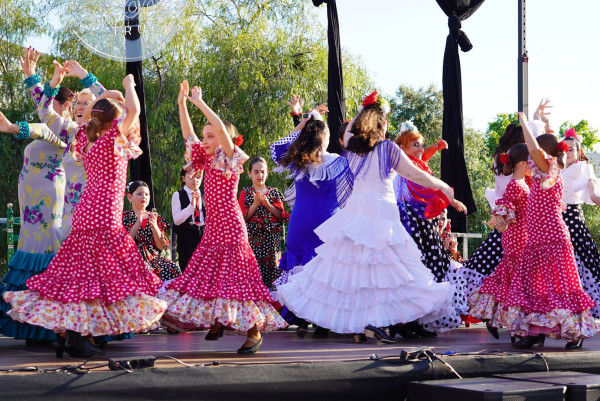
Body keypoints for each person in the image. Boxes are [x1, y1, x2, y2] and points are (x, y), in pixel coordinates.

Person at [3, 75, 167, 359]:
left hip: (85, 216)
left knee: (84, 278)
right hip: (104, 217)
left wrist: (114, 93)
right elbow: (135, 110)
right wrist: (128, 85)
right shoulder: (113, 139)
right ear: (113, 121)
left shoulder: (84, 137)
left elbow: (54, 112)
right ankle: (80, 334)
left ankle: (72, 333)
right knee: (106, 276)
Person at [277, 91, 457, 343]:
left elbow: (350, 129)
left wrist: (365, 108)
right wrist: (444, 187)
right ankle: (372, 324)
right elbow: (417, 175)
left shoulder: (352, 148)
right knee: (380, 274)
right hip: (381, 215)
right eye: (385, 123)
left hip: (355, 216)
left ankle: (363, 326)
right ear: (380, 125)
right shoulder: (387, 149)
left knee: (357, 275)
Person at [159, 81, 286, 354]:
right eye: (204, 136)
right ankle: (218, 321)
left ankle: (253, 332)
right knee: (208, 276)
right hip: (213, 229)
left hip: (230, 228)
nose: (204, 140)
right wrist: (181, 104)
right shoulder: (204, 159)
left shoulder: (228, 157)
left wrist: (200, 103)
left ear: (222, 137)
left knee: (236, 280)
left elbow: (216, 127)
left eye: (210, 136)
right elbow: (188, 134)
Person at [505, 112, 599, 349]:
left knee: (562, 286)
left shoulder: (551, 171)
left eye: (533, 153)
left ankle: (575, 332)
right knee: (535, 287)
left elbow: (534, 149)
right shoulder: (540, 175)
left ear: (545, 153)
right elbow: (534, 151)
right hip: (536, 240)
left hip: (553, 239)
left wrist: (525, 123)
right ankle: (536, 330)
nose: (530, 157)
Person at [270, 101, 351, 337]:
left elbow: (277, 147)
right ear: (325, 137)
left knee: (299, 269)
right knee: (325, 271)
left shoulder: (298, 160)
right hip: (327, 222)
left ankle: (299, 314)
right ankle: (324, 321)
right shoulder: (338, 161)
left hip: (300, 223)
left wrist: (304, 121)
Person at [394, 121, 468, 335]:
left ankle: (417, 320)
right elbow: (429, 186)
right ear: (403, 148)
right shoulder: (407, 166)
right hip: (412, 223)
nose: (419, 149)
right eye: (415, 145)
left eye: (420, 145)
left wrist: (434, 148)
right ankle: (406, 322)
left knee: (430, 267)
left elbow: (424, 159)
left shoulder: (415, 162)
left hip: (423, 222)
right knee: (418, 268)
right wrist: (452, 201)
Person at [0, 114, 67, 343]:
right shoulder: (51, 119)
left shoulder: (66, 127)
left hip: (51, 200)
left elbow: (43, 129)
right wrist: (32, 77)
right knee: (30, 249)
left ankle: (49, 327)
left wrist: (12, 127)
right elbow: (43, 111)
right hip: (30, 202)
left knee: (47, 248)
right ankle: (31, 325)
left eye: (84, 103)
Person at [468, 143, 531, 339]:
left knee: (509, 278)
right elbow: (504, 203)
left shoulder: (523, 183)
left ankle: (497, 317)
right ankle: (512, 323)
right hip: (516, 237)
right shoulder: (515, 184)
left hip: (522, 236)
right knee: (515, 279)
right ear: (522, 164)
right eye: (532, 162)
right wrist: (501, 220)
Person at [561, 128, 600, 318]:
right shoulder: (556, 168)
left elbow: (592, 187)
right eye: (564, 149)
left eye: (571, 149)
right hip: (554, 219)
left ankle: (583, 307)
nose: (567, 152)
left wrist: (595, 196)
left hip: (573, 219)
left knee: (581, 262)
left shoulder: (584, 167)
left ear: (578, 151)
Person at [238, 156, 286, 290]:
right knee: (254, 277)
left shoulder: (275, 192)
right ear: (249, 173)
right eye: (256, 171)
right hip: (253, 243)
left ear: (267, 172)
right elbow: (241, 218)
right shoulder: (246, 192)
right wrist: (255, 204)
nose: (260, 175)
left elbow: (282, 216)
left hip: (272, 244)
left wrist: (268, 205)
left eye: (263, 171)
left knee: (273, 280)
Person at [124, 180, 182, 282]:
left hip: (154, 259)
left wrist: (154, 225)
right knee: (144, 271)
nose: (144, 197)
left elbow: (161, 246)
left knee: (172, 268)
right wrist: (138, 222)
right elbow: (125, 243)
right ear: (130, 197)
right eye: (139, 194)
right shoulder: (124, 218)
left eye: (147, 194)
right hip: (132, 259)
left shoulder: (156, 217)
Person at [171, 167, 204, 272]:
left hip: (204, 235)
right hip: (186, 236)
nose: (195, 180)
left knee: (204, 269)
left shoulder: (205, 195)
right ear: (183, 178)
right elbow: (176, 220)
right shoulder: (178, 195)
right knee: (188, 270)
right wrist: (191, 207)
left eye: (198, 176)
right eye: (191, 176)